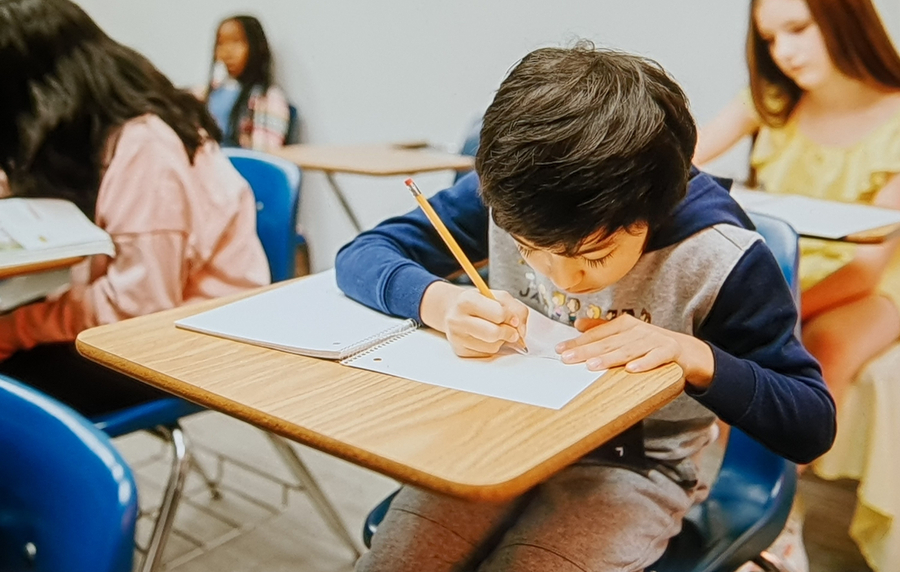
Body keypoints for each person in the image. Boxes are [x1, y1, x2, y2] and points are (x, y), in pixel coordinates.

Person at [335, 43, 835, 572]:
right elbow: (363, 255)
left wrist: (693, 356)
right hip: (505, 433)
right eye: (530, 249)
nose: (564, 278)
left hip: (633, 468)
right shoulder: (516, 198)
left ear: (654, 210)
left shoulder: (719, 255)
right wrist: (440, 301)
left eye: (593, 257)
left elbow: (810, 422)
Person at [0, 0, 271, 416]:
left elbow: (137, 306)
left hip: (189, 340)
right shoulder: (96, 133)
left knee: (11, 395)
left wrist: (14, 330)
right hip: (147, 317)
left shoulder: (145, 145)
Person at [693, 0, 900, 412]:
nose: (783, 52)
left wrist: (775, 310)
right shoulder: (770, 100)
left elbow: (866, 271)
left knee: (827, 345)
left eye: (798, 29)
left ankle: (781, 480)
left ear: (844, 15)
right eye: (769, 38)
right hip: (785, 269)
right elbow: (686, 156)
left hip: (873, 282)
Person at [203, 14, 292, 152]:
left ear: (257, 47)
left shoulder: (268, 99)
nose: (227, 52)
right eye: (221, 43)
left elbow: (263, 156)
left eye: (236, 41)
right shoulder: (210, 93)